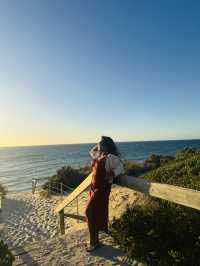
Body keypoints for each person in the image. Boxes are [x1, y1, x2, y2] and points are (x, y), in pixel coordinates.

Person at [85, 136, 124, 252]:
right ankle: (95, 240)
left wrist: (113, 173)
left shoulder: (111, 157)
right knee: (94, 213)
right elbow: (91, 152)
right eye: (98, 144)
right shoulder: (99, 155)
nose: (98, 146)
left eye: (100, 144)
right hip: (93, 188)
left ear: (106, 146)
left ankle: (94, 242)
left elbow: (121, 168)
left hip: (101, 189)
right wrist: (99, 144)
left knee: (89, 212)